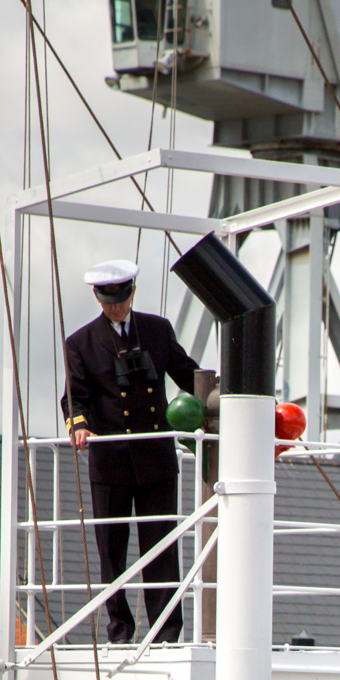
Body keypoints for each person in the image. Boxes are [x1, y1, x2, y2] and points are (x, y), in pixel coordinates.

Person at [61, 261, 199, 645]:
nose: (117, 309)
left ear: (132, 292)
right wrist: (79, 423)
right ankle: (120, 630)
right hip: (110, 461)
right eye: (110, 302)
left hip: (155, 457)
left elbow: (185, 372)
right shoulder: (81, 343)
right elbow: (74, 396)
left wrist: (216, 393)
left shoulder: (156, 330)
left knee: (161, 546)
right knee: (112, 550)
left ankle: (166, 631)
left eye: (122, 300)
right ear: (98, 298)